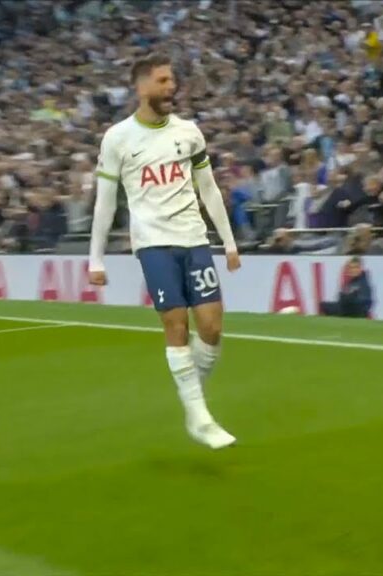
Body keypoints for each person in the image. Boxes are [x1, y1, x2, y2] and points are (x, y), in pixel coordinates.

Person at [88, 54, 240, 450]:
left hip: (194, 239)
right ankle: (201, 417)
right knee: (176, 326)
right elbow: (106, 202)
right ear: (141, 88)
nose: (171, 87)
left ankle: (193, 403)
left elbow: (208, 188)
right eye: (162, 81)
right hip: (153, 244)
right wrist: (96, 257)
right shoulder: (118, 138)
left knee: (212, 327)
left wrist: (229, 241)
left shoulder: (188, 132)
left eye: (172, 80)